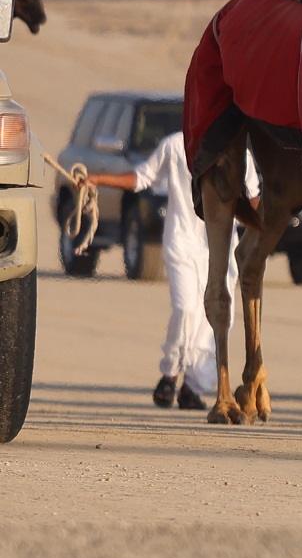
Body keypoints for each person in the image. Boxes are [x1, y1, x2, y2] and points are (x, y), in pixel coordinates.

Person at [78, 132, 253, 410]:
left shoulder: (238, 149)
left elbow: (254, 198)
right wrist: (99, 180)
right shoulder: (174, 146)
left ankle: (193, 388)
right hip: (181, 243)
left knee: (218, 321)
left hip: (220, 249)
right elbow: (142, 177)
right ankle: (170, 373)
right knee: (185, 309)